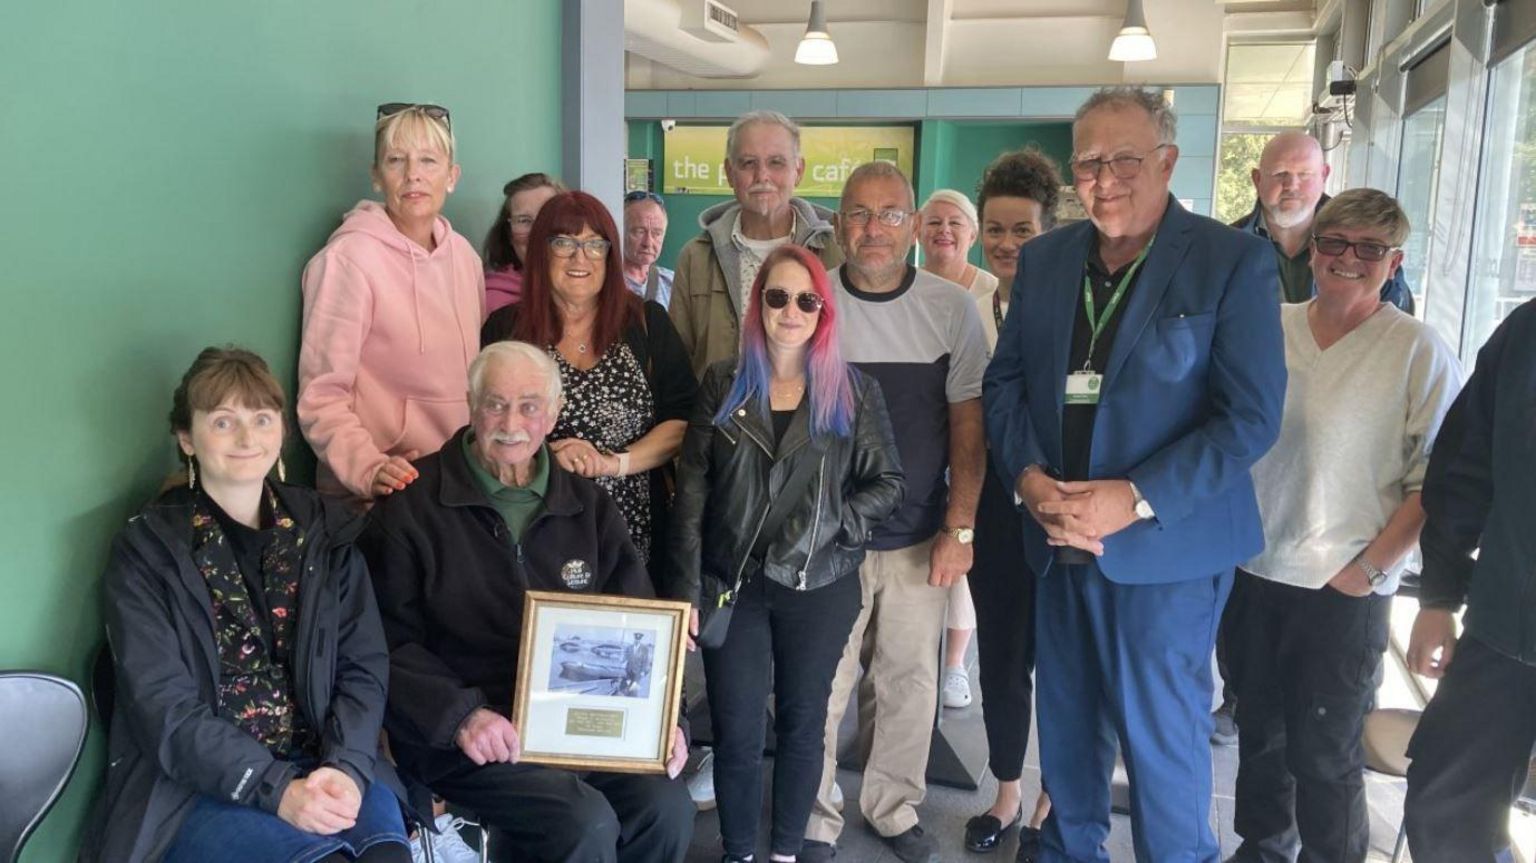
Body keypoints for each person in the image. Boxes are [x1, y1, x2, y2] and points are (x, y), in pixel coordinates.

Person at [983, 87, 1286, 863]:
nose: (1105, 178)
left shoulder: (1232, 261)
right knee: (1069, 737)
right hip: (1055, 540)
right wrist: (1027, 479)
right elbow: (1006, 382)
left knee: (1163, 757)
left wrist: (1135, 497)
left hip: (1166, 558)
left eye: (1125, 158)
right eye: (1088, 162)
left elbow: (1248, 418)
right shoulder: (1047, 260)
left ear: (1168, 162)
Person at [361, 341, 695, 863]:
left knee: (666, 806)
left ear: (554, 414)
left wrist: (663, 721)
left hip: (577, 725)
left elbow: (638, 627)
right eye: (495, 403)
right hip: (467, 733)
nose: (511, 421)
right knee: (582, 823)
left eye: (529, 405)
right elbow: (383, 642)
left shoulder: (588, 506)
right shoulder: (412, 507)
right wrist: (463, 716)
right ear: (471, 406)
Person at [84, 347, 409, 863]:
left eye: (261, 418)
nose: (246, 438)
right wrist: (277, 790)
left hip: (325, 763)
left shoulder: (326, 533)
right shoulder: (147, 552)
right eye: (222, 421)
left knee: (384, 856)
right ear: (186, 439)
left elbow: (363, 666)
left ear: (281, 431)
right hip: (199, 788)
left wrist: (347, 766)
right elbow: (164, 708)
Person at [1222, 189, 1461, 863]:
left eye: (1369, 248)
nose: (1348, 259)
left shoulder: (1416, 348)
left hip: (1345, 586)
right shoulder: (1269, 326)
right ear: (1313, 248)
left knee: (1324, 753)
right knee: (1260, 736)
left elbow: (1434, 479)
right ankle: (1262, 849)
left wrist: (1370, 569)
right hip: (1253, 570)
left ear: (1395, 261)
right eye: (1334, 243)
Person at [670, 244, 906, 863]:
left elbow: (888, 484)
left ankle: (784, 854)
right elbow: (692, 493)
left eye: (807, 299)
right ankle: (739, 852)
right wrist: (686, 589)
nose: (792, 310)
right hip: (735, 583)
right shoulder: (724, 383)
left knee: (805, 727)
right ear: (760, 306)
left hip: (820, 584)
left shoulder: (853, 391)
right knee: (737, 730)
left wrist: (835, 524)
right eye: (778, 297)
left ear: (823, 310)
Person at [805, 161, 989, 863]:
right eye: (858, 213)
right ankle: (815, 812)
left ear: (913, 225)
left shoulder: (950, 307)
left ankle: (892, 804)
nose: (872, 228)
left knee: (909, 683)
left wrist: (960, 527)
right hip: (828, 537)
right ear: (838, 223)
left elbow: (968, 428)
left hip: (920, 536)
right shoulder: (813, 302)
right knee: (822, 684)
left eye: (888, 214)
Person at [481, 190, 696, 580]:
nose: (580, 258)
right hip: (534, 532)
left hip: (637, 538)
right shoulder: (506, 330)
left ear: (609, 255)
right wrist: (549, 460)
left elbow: (682, 421)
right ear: (542, 251)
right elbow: (488, 423)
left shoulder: (647, 324)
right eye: (564, 243)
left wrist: (612, 463)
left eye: (595, 245)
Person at [1402, 298, 1536, 862]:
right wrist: (1438, 596)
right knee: (1443, 806)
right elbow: (1464, 469)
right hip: (1507, 628)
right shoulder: (1526, 332)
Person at [299, 103, 483, 503]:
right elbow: (321, 396)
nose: (413, 174)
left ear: (452, 176)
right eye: (396, 160)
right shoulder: (347, 259)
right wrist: (368, 467)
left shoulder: (466, 258)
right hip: (380, 496)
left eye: (429, 160)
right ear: (377, 176)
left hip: (455, 486)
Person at [962, 148, 1063, 862]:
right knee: (1000, 658)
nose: (1005, 243)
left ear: (1048, 229)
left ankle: (1055, 796)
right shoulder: (965, 310)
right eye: (994, 229)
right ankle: (1005, 791)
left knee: (1062, 662)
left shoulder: (1071, 307)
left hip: (1061, 509)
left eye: (1021, 229)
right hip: (993, 511)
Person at [669, 110, 843, 377]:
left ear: (798, 170)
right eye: (749, 163)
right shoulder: (696, 258)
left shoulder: (836, 253)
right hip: (717, 415)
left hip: (811, 414)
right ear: (729, 172)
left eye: (776, 162)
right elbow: (676, 365)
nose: (762, 175)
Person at [917, 188, 990, 713]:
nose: (944, 231)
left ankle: (955, 665)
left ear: (972, 234)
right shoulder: (908, 287)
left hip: (973, 441)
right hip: (920, 441)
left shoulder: (991, 289)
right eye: (934, 221)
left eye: (955, 223)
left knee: (960, 552)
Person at [1229, 130, 1413, 313]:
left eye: (1304, 174)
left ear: (1324, 175)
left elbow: (1396, 326)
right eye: (1280, 173)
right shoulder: (1227, 247)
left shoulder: (1370, 246)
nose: (1292, 185)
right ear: (1257, 179)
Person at [482, 172, 566, 314]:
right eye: (524, 220)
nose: (537, 232)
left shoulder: (595, 293)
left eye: (547, 217)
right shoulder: (490, 303)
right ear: (508, 233)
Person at [623, 190, 675, 307]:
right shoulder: (603, 282)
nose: (648, 243)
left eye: (656, 233)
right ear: (621, 231)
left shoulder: (673, 284)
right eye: (639, 232)